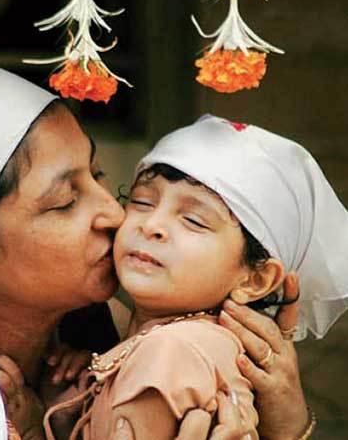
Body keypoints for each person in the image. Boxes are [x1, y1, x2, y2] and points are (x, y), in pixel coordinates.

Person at [0, 50, 309, 439]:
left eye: (99, 175)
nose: (113, 213)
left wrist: (285, 424)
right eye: (65, 202)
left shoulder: (91, 326)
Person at [43, 115, 348, 440]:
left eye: (194, 220)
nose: (152, 225)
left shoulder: (173, 352)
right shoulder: (173, 343)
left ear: (255, 279)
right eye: (142, 202)